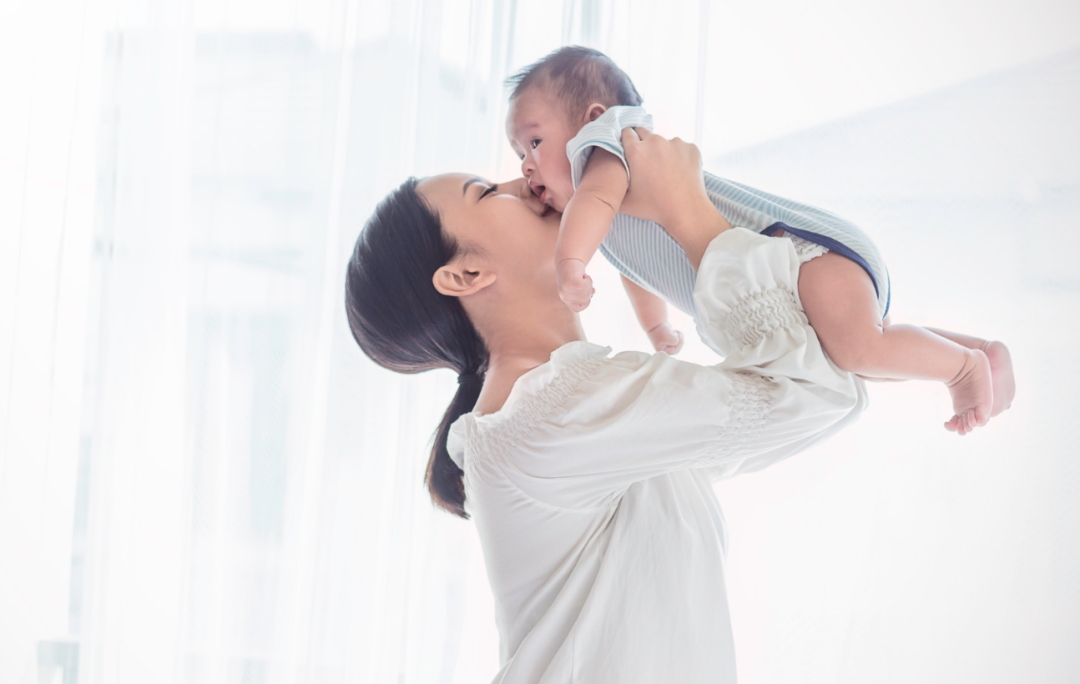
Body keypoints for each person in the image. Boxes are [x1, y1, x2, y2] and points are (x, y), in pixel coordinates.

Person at [345, 128, 866, 682]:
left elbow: (824, 390)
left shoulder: (566, 407)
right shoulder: (553, 412)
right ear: (466, 275)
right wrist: (686, 213)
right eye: (485, 192)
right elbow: (818, 393)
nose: (521, 180)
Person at [504, 46, 1014, 435]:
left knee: (862, 348)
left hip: (799, 253)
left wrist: (569, 261)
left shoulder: (612, 145)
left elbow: (593, 204)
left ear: (592, 118)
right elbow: (635, 269)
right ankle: (979, 351)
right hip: (789, 277)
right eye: (517, 152)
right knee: (854, 355)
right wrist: (656, 325)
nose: (525, 164)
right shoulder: (607, 210)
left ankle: (962, 370)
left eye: (533, 141)